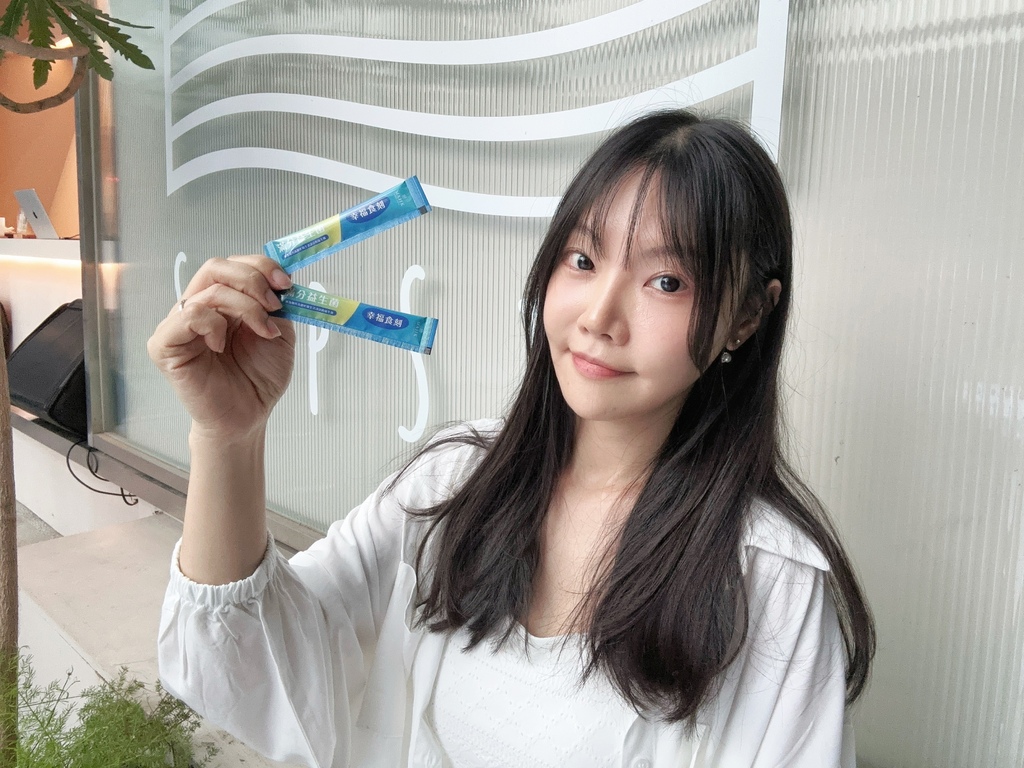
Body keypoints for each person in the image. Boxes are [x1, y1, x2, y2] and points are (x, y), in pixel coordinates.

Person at [148, 109, 874, 768]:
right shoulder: (454, 483)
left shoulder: (770, 584)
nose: (599, 316)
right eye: (583, 260)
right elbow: (247, 667)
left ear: (746, 317)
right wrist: (227, 435)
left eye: (667, 282)